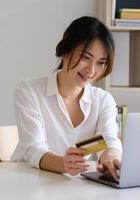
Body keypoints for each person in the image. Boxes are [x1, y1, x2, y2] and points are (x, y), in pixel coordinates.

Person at [11, 16, 122, 181]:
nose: (91, 70)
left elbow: (108, 140)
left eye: (100, 62)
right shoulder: (29, 91)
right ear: (64, 51)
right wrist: (63, 164)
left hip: (69, 187)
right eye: (86, 57)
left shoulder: (103, 101)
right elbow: (33, 148)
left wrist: (110, 157)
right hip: (27, 182)